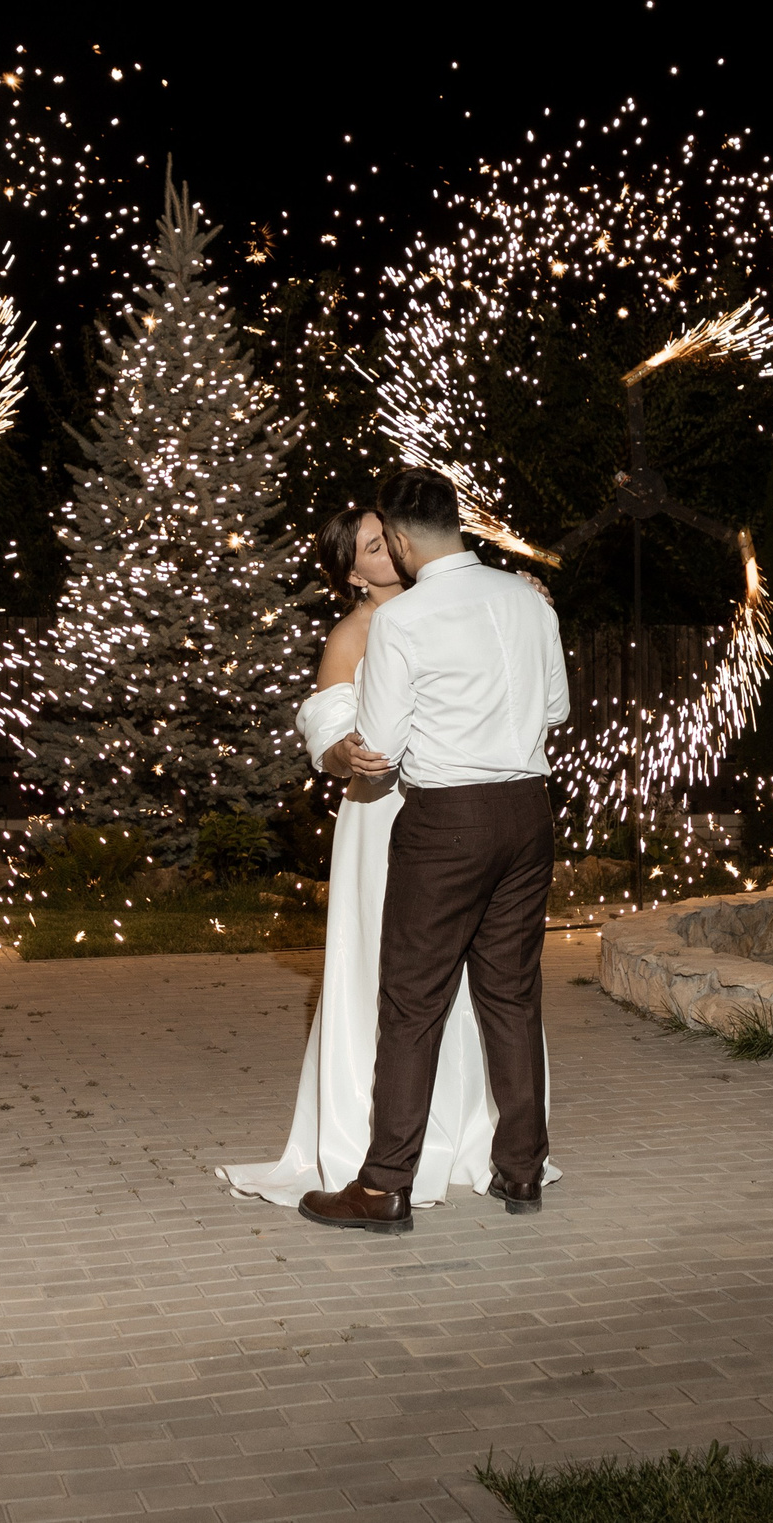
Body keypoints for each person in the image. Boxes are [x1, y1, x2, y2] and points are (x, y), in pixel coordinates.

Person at [219, 505, 562, 1211]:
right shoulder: (354, 634)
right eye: (375, 547)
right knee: (405, 986)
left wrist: (528, 604)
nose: (392, 551)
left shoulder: (462, 603)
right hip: (385, 823)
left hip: (450, 814)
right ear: (352, 571)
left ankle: (439, 1159)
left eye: (391, 538)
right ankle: (402, 1157)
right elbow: (328, 738)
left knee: (476, 991)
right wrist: (352, 752)